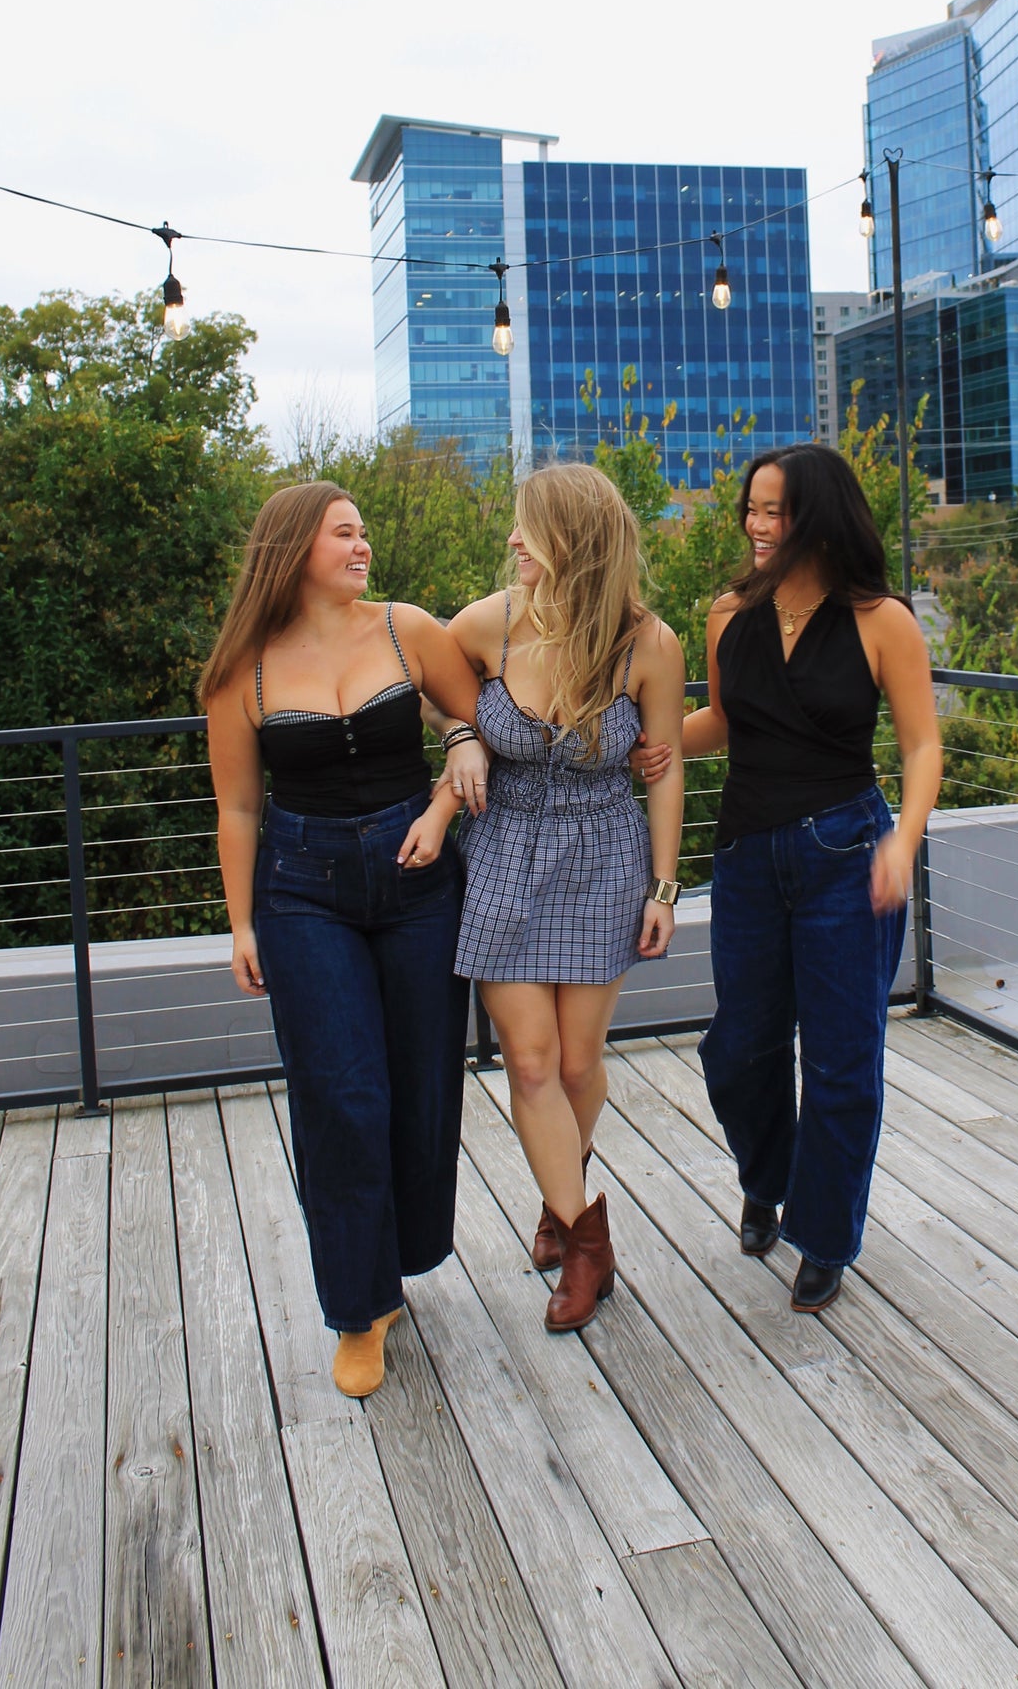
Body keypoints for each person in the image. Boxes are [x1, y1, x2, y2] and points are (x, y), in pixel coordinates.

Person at [203, 480, 488, 1397]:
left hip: (417, 876)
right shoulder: (243, 668)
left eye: (363, 532)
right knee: (341, 1096)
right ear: (293, 549)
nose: (361, 545)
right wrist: (242, 921)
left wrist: (451, 783)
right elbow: (239, 806)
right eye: (342, 534)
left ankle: (397, 1260)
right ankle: (356, 1311)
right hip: (301, 890)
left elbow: (480, 719)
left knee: (419, 1080)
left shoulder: (409, 629)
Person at [662, 444, 941, 1313]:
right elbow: (726, 719)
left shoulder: (879, 619)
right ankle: (767, 1176)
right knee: (738, 1049)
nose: (756, 524)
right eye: (751, 508)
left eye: (775, 510)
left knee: (840, 1061)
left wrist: (904, 841)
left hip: (843, 856)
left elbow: (922, 744)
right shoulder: (725, 614)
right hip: (746, 854)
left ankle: (823, 1234)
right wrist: (658, 741)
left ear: (817, 517)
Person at [434, 463, 685, 1332]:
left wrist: (664, 885)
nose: (511, 541)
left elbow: (667, 765)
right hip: (504, 851)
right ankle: (586, 1246)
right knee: (529, 1062)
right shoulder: (488, 624)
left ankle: (557, 1199)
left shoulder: (646, 642)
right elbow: (418, 677)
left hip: (603, 856)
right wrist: (464, 731)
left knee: (578, 1065)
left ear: (573, 540)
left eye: (527, 528)